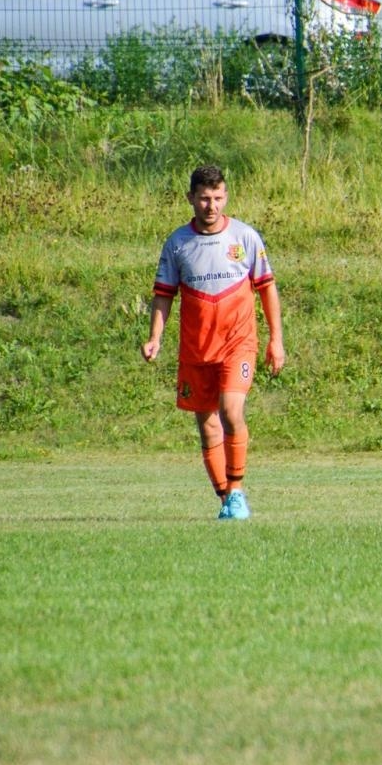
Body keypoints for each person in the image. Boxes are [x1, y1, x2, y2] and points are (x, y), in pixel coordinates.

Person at [143, 164, 284, 520]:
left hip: (238, 344)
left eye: (218, 198)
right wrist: (155, 337)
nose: (211, 205)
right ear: (190, 198)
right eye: (204, 198)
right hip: (196, 348)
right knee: (207, 425)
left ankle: (236, 490)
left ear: (226, 197)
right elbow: (164, 294)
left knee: (231, 410)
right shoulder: (177, 244)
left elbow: (267, 289)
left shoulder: (245, 238)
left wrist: (275, 341)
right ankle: (227, 500)